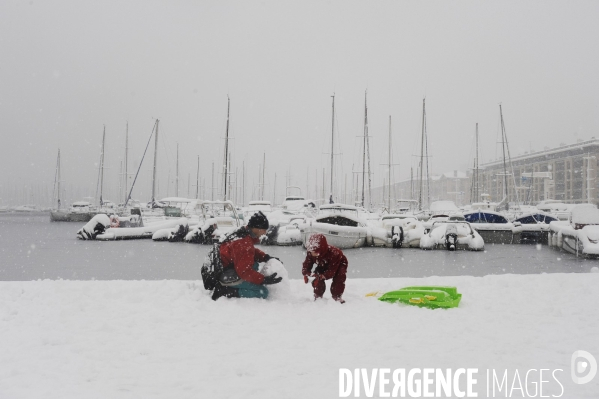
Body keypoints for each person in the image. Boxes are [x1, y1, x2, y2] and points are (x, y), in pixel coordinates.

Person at [206, 211, 282, 301]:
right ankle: (224, 291)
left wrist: (265, 257)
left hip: (222, 268)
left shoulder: (243, 233)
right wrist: (263, 280)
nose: (265, 232)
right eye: (264, 229)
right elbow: (244, 271)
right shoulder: (243, 243)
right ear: (257, 228)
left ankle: (230, 284)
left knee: (255, 265)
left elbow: (250, 252)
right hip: (225, 274)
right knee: (263, 292)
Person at [302, 233, 348, 303]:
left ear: (321, 249)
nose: (313, 254)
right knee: (317, 277)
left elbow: (331, 272)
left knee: (339, 277)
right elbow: (306, 265)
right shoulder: (311, 253)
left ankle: (337, 296)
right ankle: (318, 295)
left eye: (315, 252)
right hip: (323, 263)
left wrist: (323, 276)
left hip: (339, 263)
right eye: (311, 252)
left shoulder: (334, 253)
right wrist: (307, 273)